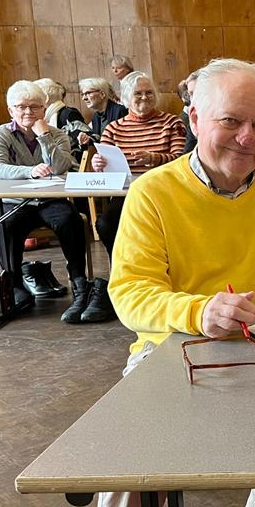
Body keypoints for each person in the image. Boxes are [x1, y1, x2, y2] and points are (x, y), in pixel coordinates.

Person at [102, 58, 255, 507]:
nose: (247, 138)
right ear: (194, 119)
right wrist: (199, 311)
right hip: (174, 349)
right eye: (230, 121)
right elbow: (130, 293)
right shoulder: (152, 193)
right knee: (130, 453)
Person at [0, 80, 90, 320]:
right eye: (21, 107)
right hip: (13, 200)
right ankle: (14, 284)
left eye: (35, 107)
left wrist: (44, 136)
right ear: (11, 110)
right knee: (5, 225)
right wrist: (29, 171)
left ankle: (79, 281)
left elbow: (62, 166)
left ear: (44, 109)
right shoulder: (0, 134)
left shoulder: (57, 134)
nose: (28, 112)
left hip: (49, 199)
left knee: (70, 219)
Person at [88, 71, 186, 322]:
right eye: (138, 94)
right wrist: (98, 164)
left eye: (149, 92)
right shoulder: (113, 128)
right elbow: (104, 163)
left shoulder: (171, 123)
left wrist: (154, 158)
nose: (144, 98)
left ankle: (161, 278)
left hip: (163, 193)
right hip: (125, 194)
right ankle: (122, 274)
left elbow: (180, 159)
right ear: (124, 98)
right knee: (106, 224)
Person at [35, 78, 90, 162]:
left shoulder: (68, 114)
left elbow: (87, 141)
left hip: (71, 165)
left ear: (46, 98)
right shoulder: (44, 117)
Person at [78, 77, 128, 146]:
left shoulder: (120, 111)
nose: (84, 98)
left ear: (102, 94)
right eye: (83, 94)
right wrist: (88, 140)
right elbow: (99, 140)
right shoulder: (95, 116)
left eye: (88, 93)